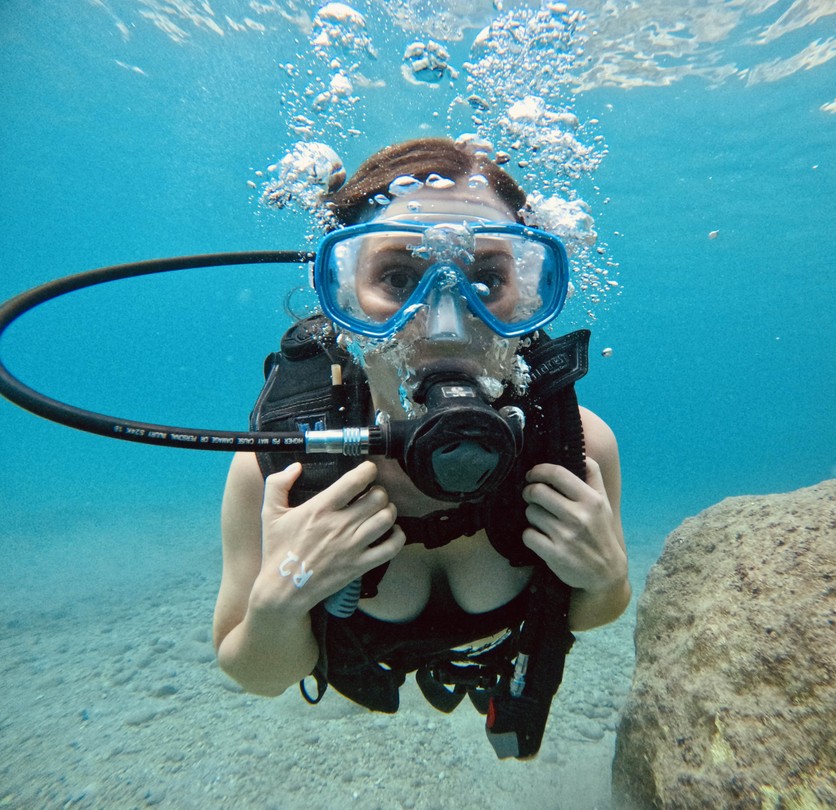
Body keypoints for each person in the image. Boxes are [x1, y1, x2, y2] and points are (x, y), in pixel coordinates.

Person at [213, 138, 630, 758]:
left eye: (487, 278)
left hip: (493, 661)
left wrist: (607, 578)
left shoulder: (576, 447)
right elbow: (256, 672)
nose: (444, 324)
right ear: (343, 298)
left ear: (532, 295)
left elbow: (593, 608)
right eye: (399, 278)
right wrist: (281, 600)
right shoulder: (283, 468)